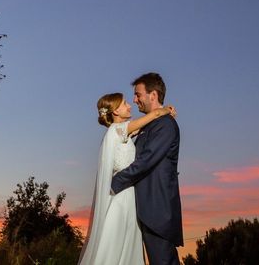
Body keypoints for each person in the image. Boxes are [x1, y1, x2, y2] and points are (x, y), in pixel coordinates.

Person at [78, 91, 177, 265]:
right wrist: (166, 111)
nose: (130, 105)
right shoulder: (120, 129)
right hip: (122, 198)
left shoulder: (120, 132)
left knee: (122, 244)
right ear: (115, 111)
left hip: (127, 196)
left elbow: (143, 127)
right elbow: (154, 115)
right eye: (124, 103)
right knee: (116, 245)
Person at [111, 72, 183, 265]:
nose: (135, 100)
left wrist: (115, 182)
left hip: (158, 210)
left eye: (138, 94)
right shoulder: (151, 123)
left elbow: (146, 160)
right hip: (145, 209)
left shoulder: (165, 125)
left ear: (153, 95)